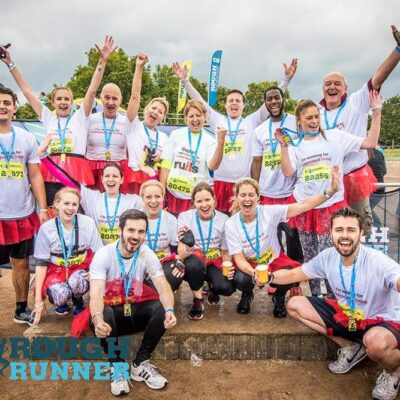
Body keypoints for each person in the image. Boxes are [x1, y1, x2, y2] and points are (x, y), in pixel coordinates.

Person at [269, 207, 400, 400]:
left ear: (361, 234)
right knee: (295, 304)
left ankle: (393, 371)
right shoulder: (327, 256)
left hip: (382, 322)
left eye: (351, 230)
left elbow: (396, 277)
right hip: (349, 316)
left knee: (376, 344)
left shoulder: (377, 261)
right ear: (330, 233)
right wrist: (268, 277)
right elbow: (293, 274)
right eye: (339, 230)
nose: (344, 236)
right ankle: (352, 347)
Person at [276, 91, 382, 297]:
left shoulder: (336, 136)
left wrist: (376, 112)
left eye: (316, 116)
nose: (314, 121)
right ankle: (316, 296)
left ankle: (335, 297)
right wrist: (283, 147)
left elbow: (370, 142)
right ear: (299, 120)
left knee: (333, 255)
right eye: (309, 118)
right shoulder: (296, 145)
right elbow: (288, 172)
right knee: (311, 258)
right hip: (305, 206)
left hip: (330, 206)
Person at [0, 37, 116, 206]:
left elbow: (92, 90)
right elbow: (27, 92)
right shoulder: (49, 117)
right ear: (53, 102)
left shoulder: (80, 117)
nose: (63, 102)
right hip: (51, 170)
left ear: (72, 102)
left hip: (77, 169)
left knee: (78, 211)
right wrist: (10, 63)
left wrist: (102, 62)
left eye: (67, 99)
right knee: (54, 210)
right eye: (59, 99)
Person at [172, 59, 298, 213]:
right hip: (219, 183)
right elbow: (200, 101)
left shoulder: (252, 121)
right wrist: (185, 81)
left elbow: (272, 101)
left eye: (238, 101)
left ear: (243, 105)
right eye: (230, 101)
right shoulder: (217, 119)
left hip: (242, 184)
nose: (234, 103)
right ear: (225, 105)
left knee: (241, 225)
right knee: (219, 225)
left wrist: (286, 79)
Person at [319, 25, 400, 235]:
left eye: (337, 83)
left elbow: (378, 78)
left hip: (354, 180)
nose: (332, 87)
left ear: (345, 88)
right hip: (325, 182)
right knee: (329, 232)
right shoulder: (316, 112)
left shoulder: (356, 102)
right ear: (322, 89)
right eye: (327, 84)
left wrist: (398, 50)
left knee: (360, 232)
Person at [87, 209, 177, 396]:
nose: (136, 236)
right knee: (103, 313)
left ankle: (139, 364)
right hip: (110, 319)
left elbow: (162, 285)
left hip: (133, 311)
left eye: (141, 232)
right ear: (120, 231)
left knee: (161, 308)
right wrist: (97, 320)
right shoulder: (104, 254)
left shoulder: (147, 253)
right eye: (131, 230)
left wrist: (170, 310)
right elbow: (95, 293)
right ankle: (117, 367)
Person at [225, 171, 339, 317]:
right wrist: (254, 273)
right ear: (237, 198)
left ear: (258, 198)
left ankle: (279, 295)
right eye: (243, 195)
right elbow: (239, 259)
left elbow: (303, 205)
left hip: (274, 260)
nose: (247, 199)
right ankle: (247, 294)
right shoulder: (231, 224)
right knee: (241, 279)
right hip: (250, 264)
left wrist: (330, 191)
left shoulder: (269, 212)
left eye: (251, 195)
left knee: (291, 274)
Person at [0, 86, 48, 325]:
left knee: (21, 264)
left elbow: (35, 176)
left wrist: (43, 208)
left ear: (15, 107)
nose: (2, 106)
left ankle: (21, 309)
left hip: (20, 213)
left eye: (7, 103)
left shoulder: (26, 138)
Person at [37, 135, 142, 245]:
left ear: (121, 180)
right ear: (101, 179)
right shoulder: (91, 196)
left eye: (115, 176)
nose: (111, 179)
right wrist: (43, 156)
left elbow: (155, 202)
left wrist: (152, 174)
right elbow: (64, 177)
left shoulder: (133, 200)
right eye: (107, 176)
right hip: (98, 254)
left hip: (124, 253)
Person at [86, 54, 155, 193]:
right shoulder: (89, 119)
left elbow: (135, 96)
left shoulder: (127, 121)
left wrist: (139, 68)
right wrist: (102, 61)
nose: (110, 102)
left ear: (121, 101)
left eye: (115, 99)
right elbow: (91, 90)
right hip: (93, 169)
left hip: (119, 169)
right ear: (100, 98)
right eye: (107, 98)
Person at [251, 85, 303, 268]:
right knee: (272, 239)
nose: (273, 101)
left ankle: (295, 282)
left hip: (291, 191)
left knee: (293, 238)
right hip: (268, 192)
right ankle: (277, 278)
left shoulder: (296, 123)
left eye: (277, 97)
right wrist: (255, 191)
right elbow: (257, 162)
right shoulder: (259, 130)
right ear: (265, 103)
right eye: (269, 99)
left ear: (283, 99)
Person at [32, 187, 103, 322]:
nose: (70, 208)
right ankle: (62, 302)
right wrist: (38, 302)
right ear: (57, 204)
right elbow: (41, 264)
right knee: (59, 293)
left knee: (79, 282)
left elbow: (99, 253)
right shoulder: (46, 229)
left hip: (79, 268)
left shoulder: (87, 223)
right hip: (56, 270)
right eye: (66, 203)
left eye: (74, 204)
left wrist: (94, 271)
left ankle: (77, 299)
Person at [176, 182, 232, 319]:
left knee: (227, 287)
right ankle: (198, 299)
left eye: (207, 200)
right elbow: (180, 251)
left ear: (214, 200)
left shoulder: (224, 219)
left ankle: (213, 288)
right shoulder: (184, 217)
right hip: (194, 261)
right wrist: (186, 246)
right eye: (199, 201)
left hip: (214, 261)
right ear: (193, 203)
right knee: (193, 265)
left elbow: (225, 250)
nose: (204, 204)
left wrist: (228, 268)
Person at [159, 100, 225, 215]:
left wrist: (221, 141)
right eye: (191, 116)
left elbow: (213, 166)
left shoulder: (210, 140)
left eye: (198, 115)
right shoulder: (176, 134)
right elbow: (166, 163)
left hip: (196, 199)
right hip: (173, 196)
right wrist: (161, 188)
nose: (195, 119)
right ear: (186, 118)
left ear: (205, 117)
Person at [125, 53, 170, 194]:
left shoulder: (164, 138)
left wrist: (160, 158)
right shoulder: (134, 125)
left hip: (153, 180)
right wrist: (139, 68)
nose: (156, 112)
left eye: (161, 112)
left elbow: (166, 163)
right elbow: (135, 96)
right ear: (146, 109)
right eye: (154, 108)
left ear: (163, 118)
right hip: (134, 177)